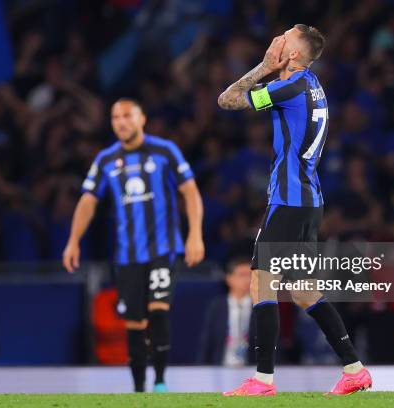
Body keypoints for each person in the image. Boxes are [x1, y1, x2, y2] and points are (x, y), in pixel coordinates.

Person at [218, 25, 371, 396]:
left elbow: (227, 99)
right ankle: (355, 370)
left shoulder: (291, 85)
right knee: (303, 291)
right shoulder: (312, 84)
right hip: (309, 202)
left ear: (294, 56)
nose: (275, 40)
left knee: (260, 282)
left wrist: (263, 67)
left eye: (283, 39)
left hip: (288, 200)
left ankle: (263, 380)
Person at [62, 99, 204, 393]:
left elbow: (190, 191)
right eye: (115, 117)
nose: (121, 122)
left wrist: (195, 235)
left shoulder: (165, 151)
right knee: (135, 324)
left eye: (127, 116)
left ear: (142, 119)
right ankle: (139, 390)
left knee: (159, 310)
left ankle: (162, 382)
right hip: (127, 256)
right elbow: (88, 201)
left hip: (163, 249)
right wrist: (73, 241)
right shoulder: (105, 160)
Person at [199, 258, 254, 366]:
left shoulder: (263, 307)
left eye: (251, 275)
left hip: (253, 370)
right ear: (229, 278)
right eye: (242, 275)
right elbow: (207, 342)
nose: (248, 280)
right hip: (222, 367)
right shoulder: (217, 306)